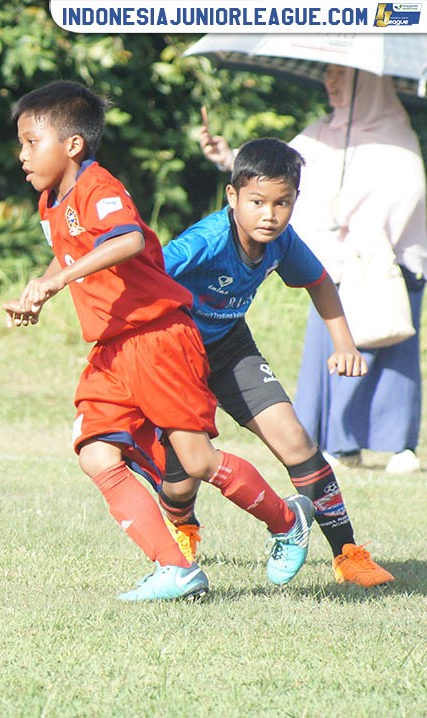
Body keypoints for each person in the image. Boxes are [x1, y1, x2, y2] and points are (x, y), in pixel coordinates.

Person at [3, 80, 313, 602]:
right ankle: (177, 569)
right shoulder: (50, 203)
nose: (22, 154)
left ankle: (287, 521)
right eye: (22, 142)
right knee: (96, 454)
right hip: (113, 349)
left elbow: (124, 239)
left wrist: (58, 280)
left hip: (157, 337)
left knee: (196, 461)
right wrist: (42, 288)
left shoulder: (99, 188)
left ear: (73, 145)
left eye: (33, 141)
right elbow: (75, 251)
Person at [164, 137, 394, 587]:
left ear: (294, 200)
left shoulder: (282, 242)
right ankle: (183, 526)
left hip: (231, 348)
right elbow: (148, 272)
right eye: (257, 202)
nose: (269, 214)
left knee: (296, 440)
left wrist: (344, 344)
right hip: (176, 355)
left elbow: (320, 282)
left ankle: (348, 554)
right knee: (182, 476)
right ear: (232, 197)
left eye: (282, 202)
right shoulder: (206, 241)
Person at [200, 66, 427, 475]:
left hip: (384, 264)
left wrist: (365, 226)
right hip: (333, 261)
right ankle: (338, 443)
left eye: (343, 76)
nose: (331, 83)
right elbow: (273, 176)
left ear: (369, 82)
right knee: (332, 353)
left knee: (386, 351)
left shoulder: (397, 136)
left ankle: (397, 446)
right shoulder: (322, 131)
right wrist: (226, 154)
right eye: (328, 75)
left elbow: (409, 192)